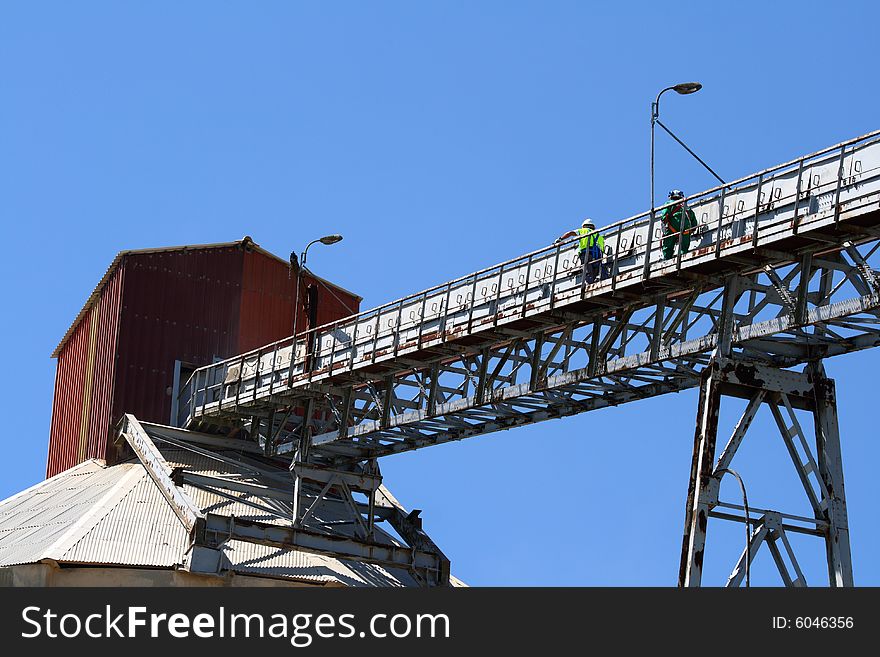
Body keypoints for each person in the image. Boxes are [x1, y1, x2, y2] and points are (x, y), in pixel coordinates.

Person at [556, 218, 606, 283]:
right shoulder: (598, 235)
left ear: (584, 226)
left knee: (587, 271)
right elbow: (602, 249)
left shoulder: (582, 231)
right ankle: (595, 281)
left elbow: (570, 233)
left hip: (585, 254)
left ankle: (589, 285)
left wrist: (560, 239)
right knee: (594, 272)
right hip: (596, 256)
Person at [661, 189, 697, 260]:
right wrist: (691, 231)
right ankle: (682, 258)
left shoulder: (669, 203)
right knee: (684, 246)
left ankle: (667, 259)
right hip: (685, 229)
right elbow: (694, 223)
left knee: (668, 245)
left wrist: (664, 226)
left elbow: (664, 216)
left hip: (672, 228)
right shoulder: (687, 207)